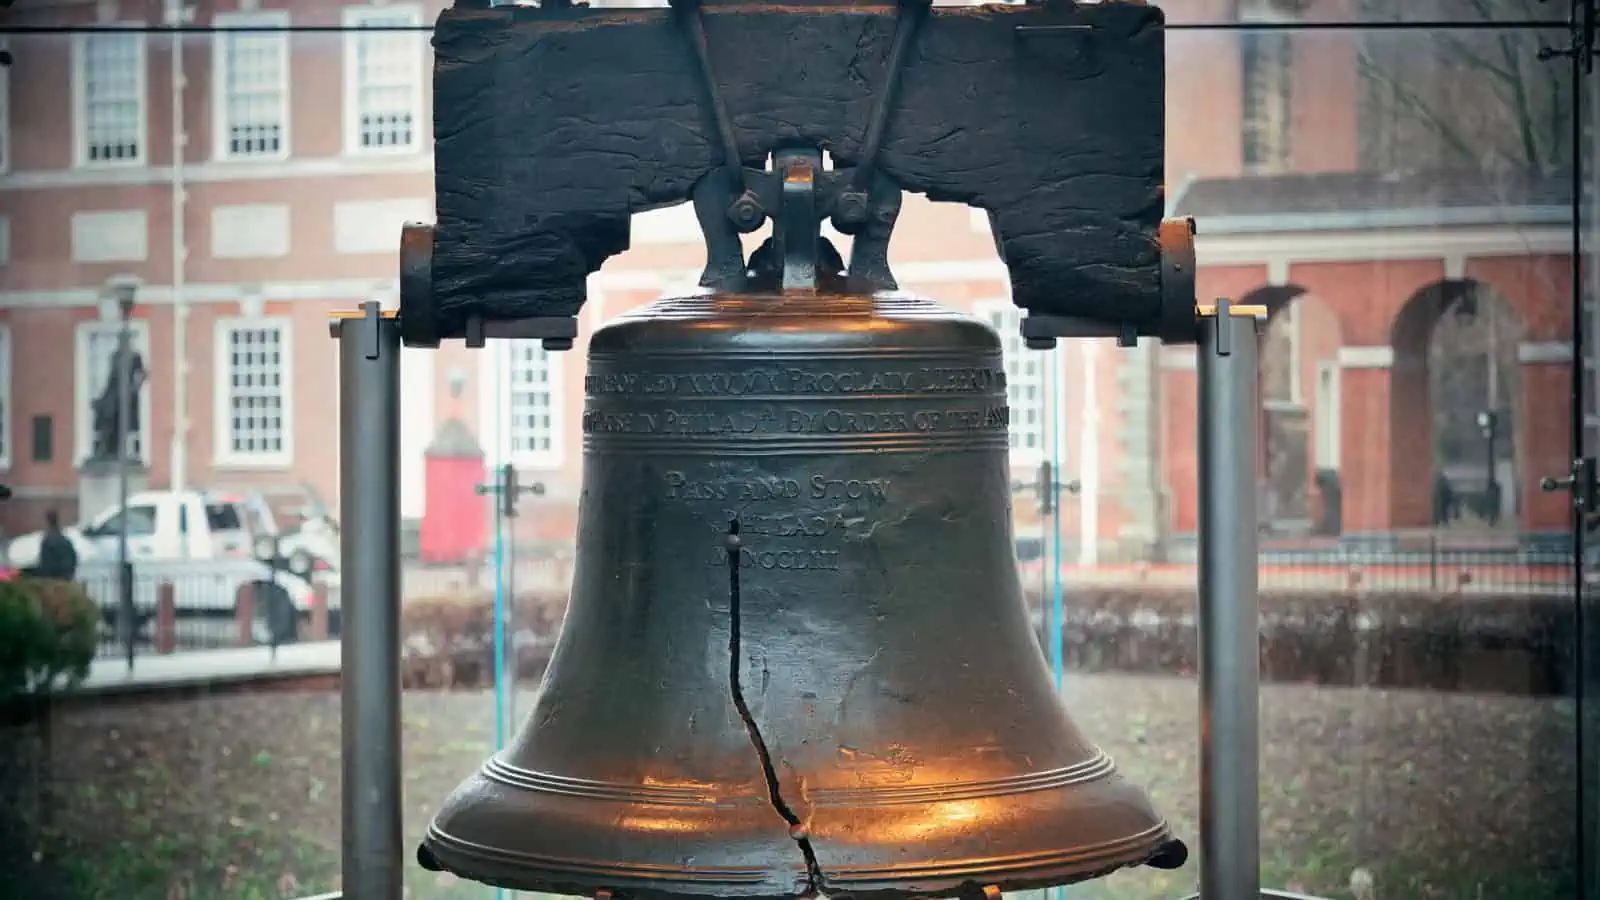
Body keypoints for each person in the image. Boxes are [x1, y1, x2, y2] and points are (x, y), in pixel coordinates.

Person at [32, 510, 78, 582]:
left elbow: (46, 563)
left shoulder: (48, 541)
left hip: (55, 578)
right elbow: (73, 557)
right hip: (65, 577)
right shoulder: (64, 539)